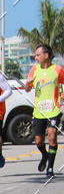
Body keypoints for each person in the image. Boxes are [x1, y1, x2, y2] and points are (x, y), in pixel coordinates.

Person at [24, 43, 64, 177]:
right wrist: (28, 83)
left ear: (46, 55)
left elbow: (63, 86)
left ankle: (50, 168)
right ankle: (44, 155)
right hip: (39, 111)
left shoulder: (58, 69)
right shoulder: (34, 70)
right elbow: (27, 89)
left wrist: (62, 99)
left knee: (52, 137)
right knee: (38, 141)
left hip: (54, 110)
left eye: (38, 55)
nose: (35, 58)